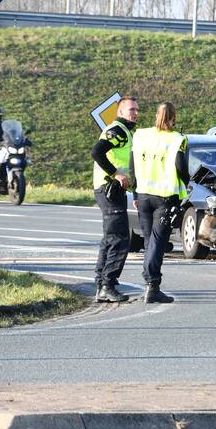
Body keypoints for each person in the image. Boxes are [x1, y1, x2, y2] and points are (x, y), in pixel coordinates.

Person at [130, 102, 188, 304]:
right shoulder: (177, 139)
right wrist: (188, 184)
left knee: (149, 241)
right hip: (164, 196)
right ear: (173, 118)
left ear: (156, 116)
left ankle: (150, 284)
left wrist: (135, 192)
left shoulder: (141, 135)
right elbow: (181, 167)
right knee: (157, 242)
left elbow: (132, 164)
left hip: (143, 194)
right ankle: (152, 285)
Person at [90, 96, 139, 303]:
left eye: (137, 110)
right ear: (120, 112)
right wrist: (115, 174)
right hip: (109, 188)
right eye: (131, 110)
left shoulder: (127, 131)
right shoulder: (118, 130)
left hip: (113, 190)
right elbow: (97, 151)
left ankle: (102, 282)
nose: (135, 113)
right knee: (119, 238)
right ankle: (107, 285)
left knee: (110, 237)